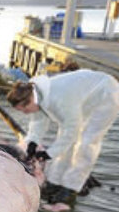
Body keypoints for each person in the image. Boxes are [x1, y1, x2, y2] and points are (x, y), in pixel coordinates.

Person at [7, 69, 119, 204]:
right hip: (85, 96)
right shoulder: (35, 95)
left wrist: (49, 154)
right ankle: (55, 182)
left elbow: (72, 130)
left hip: (106, 94)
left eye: (24, 109)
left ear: (30, 101)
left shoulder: (59, 98)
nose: (25, 113)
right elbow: (38, 121)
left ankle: (71, 188)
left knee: (87, 142)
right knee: (65, 138)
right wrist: (32, 142)